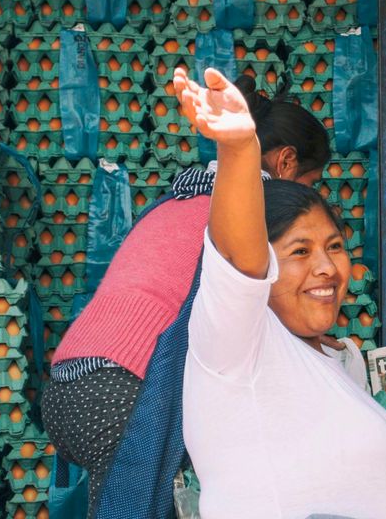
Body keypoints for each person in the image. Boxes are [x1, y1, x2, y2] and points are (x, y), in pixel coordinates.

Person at [41, 74, 333, 517]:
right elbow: (253, 310)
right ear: (288, 162)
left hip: (67, 388)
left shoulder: (175, 202)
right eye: (313, 181)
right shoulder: (249, 216)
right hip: (122, 395)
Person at [177, 67, 386, 518]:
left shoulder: (328, 362)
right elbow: (237, 260)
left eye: (334, 247)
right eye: (300, 251)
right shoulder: (235, 350)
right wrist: (239, 150)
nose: (326, 267)